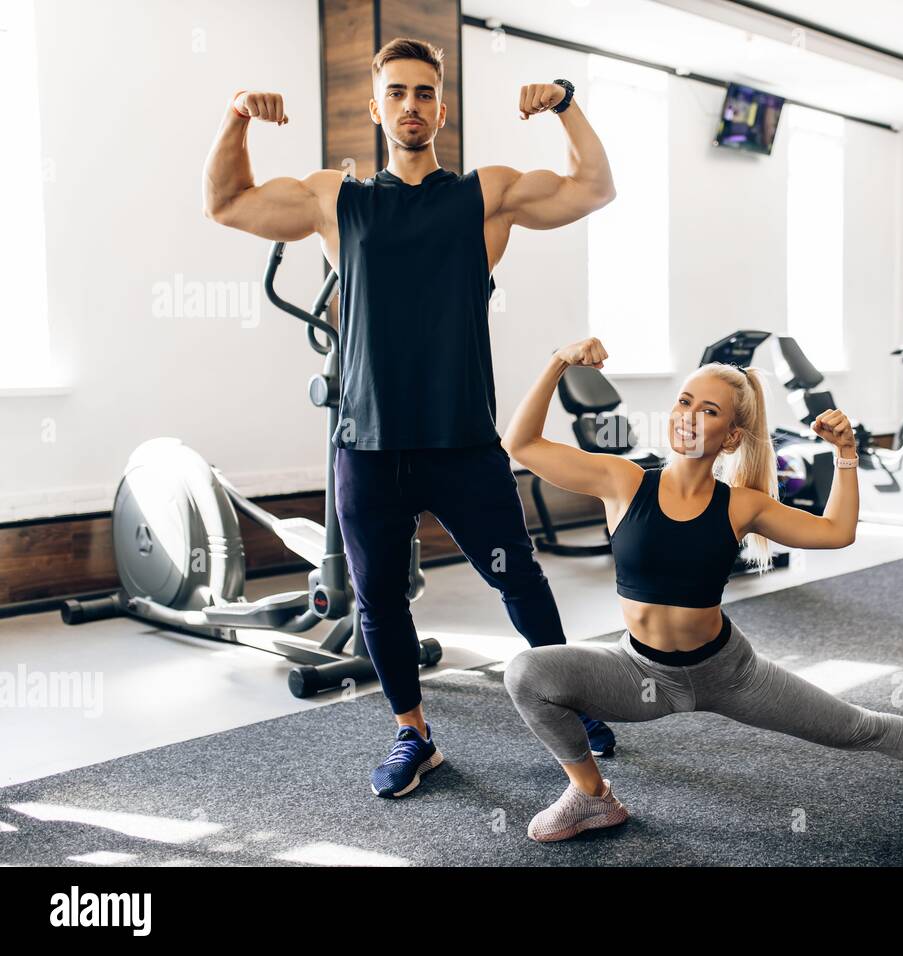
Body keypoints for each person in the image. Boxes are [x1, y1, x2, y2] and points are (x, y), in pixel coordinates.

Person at [201, 37, 619, 798]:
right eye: (397, 92)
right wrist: (236, 119)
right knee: (379, 600)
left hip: (462, 438)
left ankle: (569, 699)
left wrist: (564, 101)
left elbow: (593, 188)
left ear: (441, 107)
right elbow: (227, 203)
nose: (411, 105)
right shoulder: (338, 198)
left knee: (517, 578)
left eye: (424, 92)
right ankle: (413, 734)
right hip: (366, 443)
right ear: (376, 107)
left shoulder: (483, 195)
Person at [501, 337, 903, 842]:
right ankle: (593, 798)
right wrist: (557, 362)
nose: (689, 417)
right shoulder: (623, 482)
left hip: (727, 672)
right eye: (683, 402)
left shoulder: (741, 505)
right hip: (640, 672)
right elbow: (521, 444)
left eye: (709, 410)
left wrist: (846, 456)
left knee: (855, 729)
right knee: (528, 672)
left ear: (731, 437)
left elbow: (836, 533)